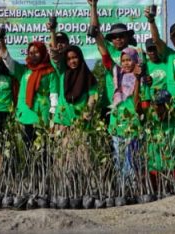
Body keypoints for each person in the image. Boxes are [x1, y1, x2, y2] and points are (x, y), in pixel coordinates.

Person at [93, 19, 144, 181]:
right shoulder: (115, 69)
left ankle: (135, 188)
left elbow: (140, 101)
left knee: (133, 159)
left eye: (122, 36)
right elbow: (98, 38)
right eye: (114, 37)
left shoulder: (139, 73)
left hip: (134, 123)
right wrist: (92, 5)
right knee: (118, 158)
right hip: (115, 119)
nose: (118, 39)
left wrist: (138, 78)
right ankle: (123, 189)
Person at [6, 40, 56, 144]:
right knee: (27, 148)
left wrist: (52, 116)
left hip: (42, 114)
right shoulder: (24, 70)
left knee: (43, 149)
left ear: (43, 52)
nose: (33, 55)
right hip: (24, 114)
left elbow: (53, 95)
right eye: (31, 53)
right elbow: (7, 60)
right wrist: (2, 41)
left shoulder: (50, 71)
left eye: (37, 52)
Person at [51, 44, 100, 127]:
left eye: (75, 57)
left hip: (80, 120)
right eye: (68, 59)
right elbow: (54, 56)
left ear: (80, 57)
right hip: (62, 120)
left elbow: (93, 96)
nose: (72, 61)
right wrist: (52, 32)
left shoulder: (88, 76)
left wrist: (88, 110)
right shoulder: (62, 72)